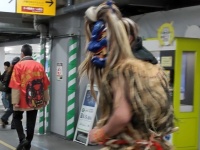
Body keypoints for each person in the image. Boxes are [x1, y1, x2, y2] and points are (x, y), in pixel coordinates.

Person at [79, 1, 177, 150]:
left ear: (126, 39)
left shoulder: (123, 70)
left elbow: (122, 116)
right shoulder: (153, 67)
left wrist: (100, 133)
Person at [9, 44, 50, 150]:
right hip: (35, 99)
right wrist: (46, 98)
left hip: (22, 98)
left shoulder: (18, 66)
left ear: (22, 54)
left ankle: (22, 139)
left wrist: (15, 101)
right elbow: (44, 83)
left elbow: (15, 84)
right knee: (31, 121)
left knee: (17, 118)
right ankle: (28, 144)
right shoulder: (39, 65)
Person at [1, 57, 20, 128]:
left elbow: (2, 78)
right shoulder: (15, 72)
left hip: (8, 92)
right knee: (13, 109)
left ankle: (12, 124)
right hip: (13, 92)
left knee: (12, 108)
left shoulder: (8, 71)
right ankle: (4, 118)